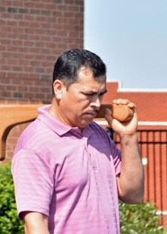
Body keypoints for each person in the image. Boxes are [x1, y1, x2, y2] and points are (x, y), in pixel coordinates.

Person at [12, 49, 144, 234]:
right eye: (88, 94)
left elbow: (133, 194)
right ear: (59, 89)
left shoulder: (98, 134)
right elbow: (36, 224)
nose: (97, 104)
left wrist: (129, 138)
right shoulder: (35, 145)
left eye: (101, 95)